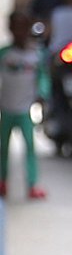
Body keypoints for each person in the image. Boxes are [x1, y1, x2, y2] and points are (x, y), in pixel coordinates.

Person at [0, 11, 47, 199]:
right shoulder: (4, 54)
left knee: (29, 148)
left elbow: (43, 77)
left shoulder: (36, 55)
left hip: (26, 108)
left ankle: (32, 184)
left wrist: (43, 94)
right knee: (3, 148)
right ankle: (3, 181)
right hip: (6, 107)